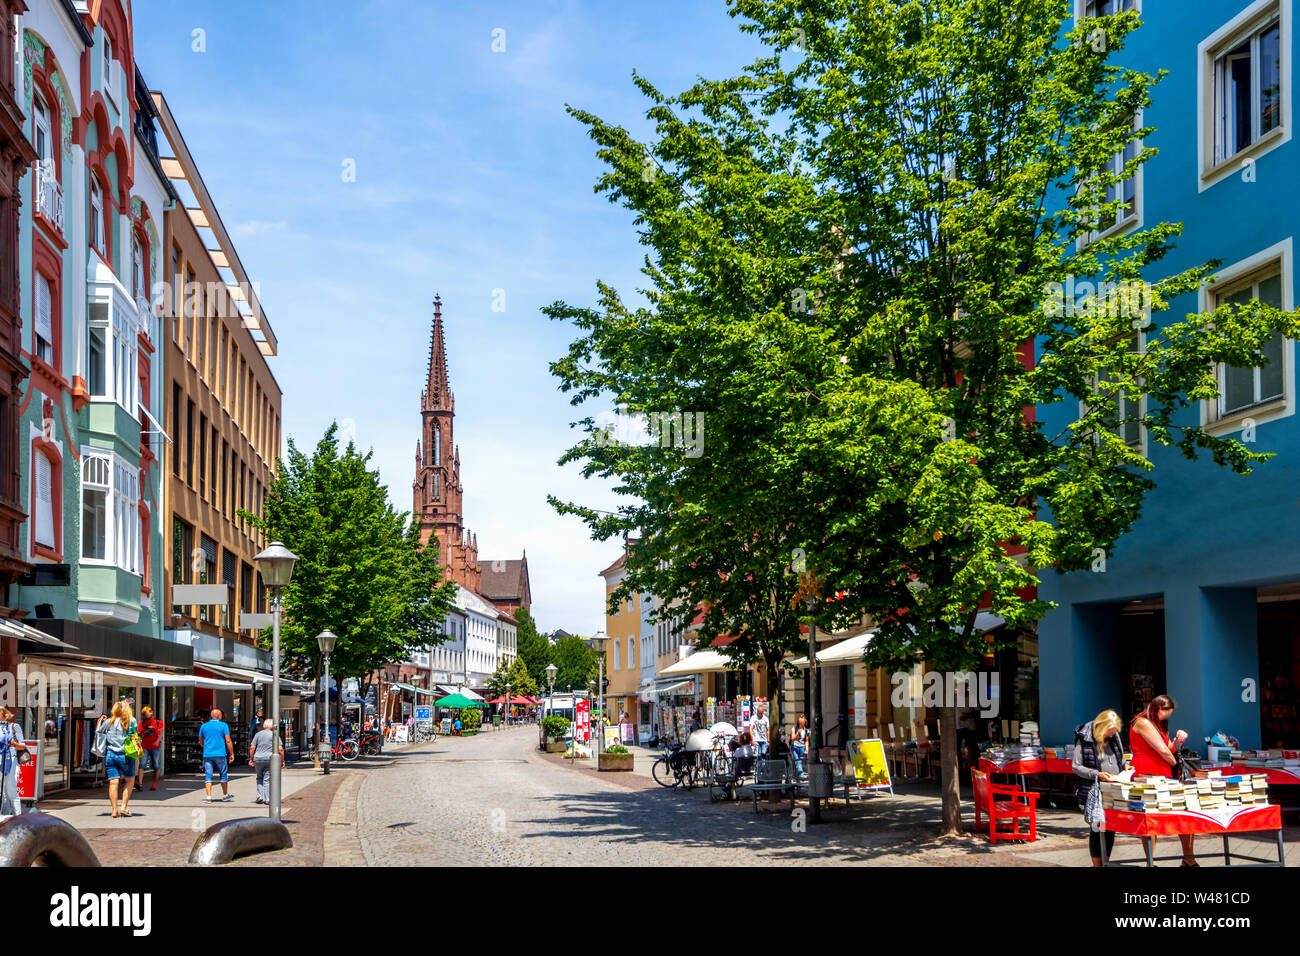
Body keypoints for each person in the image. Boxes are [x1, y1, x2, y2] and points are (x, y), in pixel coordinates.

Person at [1130, 694, 1196, 866]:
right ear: (1158, 708)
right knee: (1150, 820)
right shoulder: (1143, 722)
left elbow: (1168, 749)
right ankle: (1151, 862)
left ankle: (1189, 859)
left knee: (1183, 813)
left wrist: (1177, 741)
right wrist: (1175, 763)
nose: (1167, 718)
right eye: (1165, 714)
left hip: (1163, 775)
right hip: (1147, 775)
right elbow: (1164, 752)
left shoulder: (1156, 723)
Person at [1073, 709, 1127, 867]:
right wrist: (1097, 774)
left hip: (1112, 790)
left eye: (1113, 732)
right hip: (1094, 791)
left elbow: (1121, 758)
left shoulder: (1114, 737)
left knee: (1110, 828)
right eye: (1109, 732)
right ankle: (1098, 864)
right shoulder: (1084, 739)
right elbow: (1076, 766)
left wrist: (1126, 767)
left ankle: (1106, 862)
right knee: (1098, 828)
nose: (1111, 735)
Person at [94, 701, 138, 818]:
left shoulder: (109, 722)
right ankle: (123, 807)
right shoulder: (131, 721)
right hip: (126, 755)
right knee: (130, 780)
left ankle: (114, 810)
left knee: (113, 782)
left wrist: (99, 722)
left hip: (111, 755)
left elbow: (98, 733)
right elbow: (135, 735)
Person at [198, 708, 234, 803]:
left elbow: (200, 741)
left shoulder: (204, 726)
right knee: (223, 774)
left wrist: (205, 747)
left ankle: (209, 797)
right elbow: (228, 740)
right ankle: (225, 795)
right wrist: (232, 753)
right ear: (219, 716)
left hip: (208, 754)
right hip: (220, 754)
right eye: (221, 715)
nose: (222, 716)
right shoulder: (224, 725)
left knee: (208, 775)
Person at [0, 707, 31, 817]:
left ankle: (17, 817)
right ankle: (5, 815)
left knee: (11, 790)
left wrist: (11, 743)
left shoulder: (13, 727)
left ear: (4, 715)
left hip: (11, 760)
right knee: (2, 792)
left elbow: (22, 745)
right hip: (1, 761)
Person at [249, 718, 284, 805]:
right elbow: (281, 749)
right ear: (272, 726)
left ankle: (259, 796)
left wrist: (251, 759)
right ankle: (267, 798)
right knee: (267, 779)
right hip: (269, 759)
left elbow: (252, 747)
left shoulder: (258, 734)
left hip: (258, 759)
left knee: (259, 777)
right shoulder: (274, 735)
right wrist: (282, 760)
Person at [135, 706, 163, 792]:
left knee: (156, 765)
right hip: (144, 746)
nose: (149, 719)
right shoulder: (142, 722)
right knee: (142, 764)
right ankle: (140, 784)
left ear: (152, 714)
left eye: (150, 717)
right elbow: (138, 735)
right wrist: (142, 732)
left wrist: (157, 741)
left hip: (155, 747)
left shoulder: (159, 722)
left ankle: (154, 784)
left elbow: (160, 734)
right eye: (147, 717)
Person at [790, 713, 810, 778]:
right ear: (798, 722)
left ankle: (796, 775)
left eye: (802, 723)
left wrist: (807, 749)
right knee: (797, 760)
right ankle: (801, 774)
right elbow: (792, 738)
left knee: (800, 761)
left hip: (802, 747)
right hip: (795, 746)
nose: (801, 725)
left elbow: (806, 741)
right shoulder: (794, 729)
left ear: (804, 723)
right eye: (800, 723)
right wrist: (797, 733)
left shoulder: (807, 731)